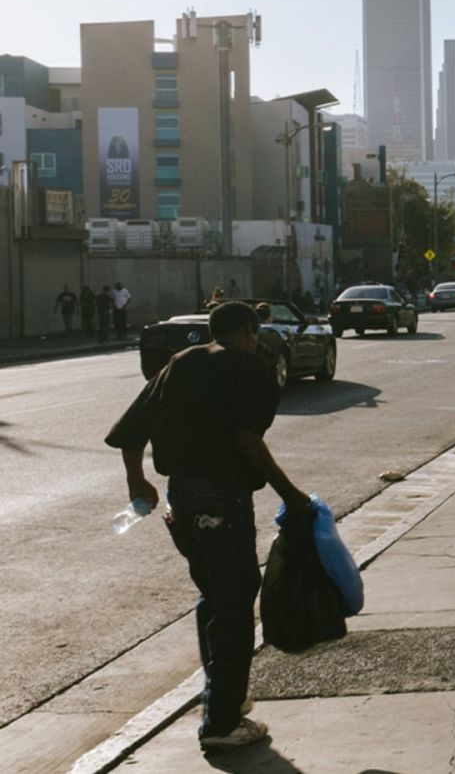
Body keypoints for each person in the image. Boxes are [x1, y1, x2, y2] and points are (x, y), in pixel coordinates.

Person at [104, 301, 311, 754]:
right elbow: (248, 441)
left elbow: (131, 430)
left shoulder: (180, 362)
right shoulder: (252, 368)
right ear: (249, 331)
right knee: (234, 602)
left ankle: (224, 698)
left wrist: (137, 481)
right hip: (222, 502)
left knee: (213, 595)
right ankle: (222, 722)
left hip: (181, 499)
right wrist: (292, 496)